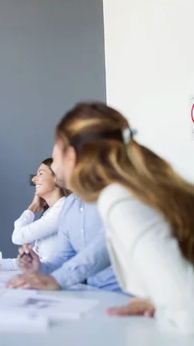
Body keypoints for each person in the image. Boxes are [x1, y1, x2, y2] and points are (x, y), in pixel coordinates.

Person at [47, 101, 194, 333]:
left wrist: (168, 308)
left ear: (72, 157)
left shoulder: (118, 199)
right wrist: (158, 301)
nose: (53, 166)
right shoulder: (132, 190)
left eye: (55, 157)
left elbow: (187, 311)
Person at [0, 158, 68, 271]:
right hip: (44, 277)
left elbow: (18, 237)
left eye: (41, 173)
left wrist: (33, 207)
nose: (34, 179)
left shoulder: (63, 210)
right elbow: (34, 262)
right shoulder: (50, 212)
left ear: (57, 178)